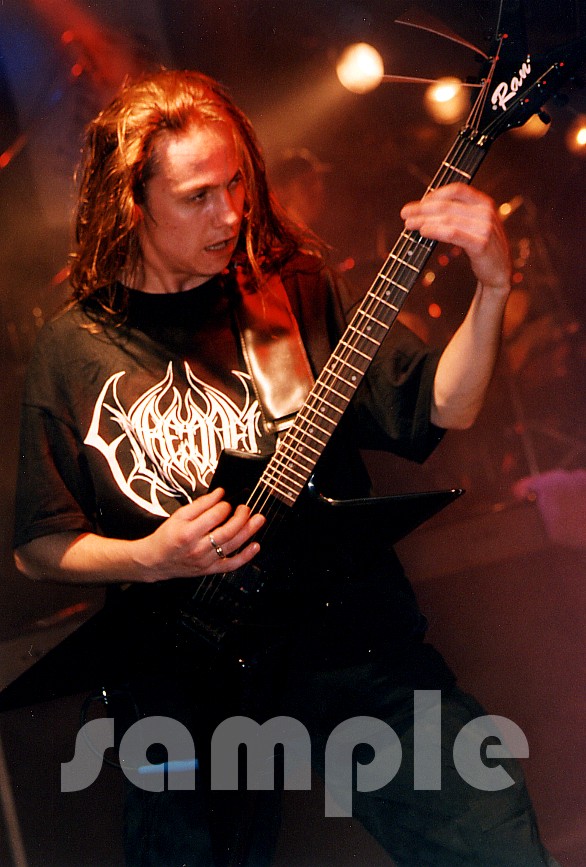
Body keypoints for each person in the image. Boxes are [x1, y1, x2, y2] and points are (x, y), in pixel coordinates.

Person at [13, 69, 558, 867]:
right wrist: (150, 556)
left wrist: (494, 285)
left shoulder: (291, 289)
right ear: (132, 202)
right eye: (198, 196)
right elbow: (41, 544)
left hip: (350, 645)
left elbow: (444, 405)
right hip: (188, 685)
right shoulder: (75, 347)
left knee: (496, 844)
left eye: (236, 183)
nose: (230, 213)